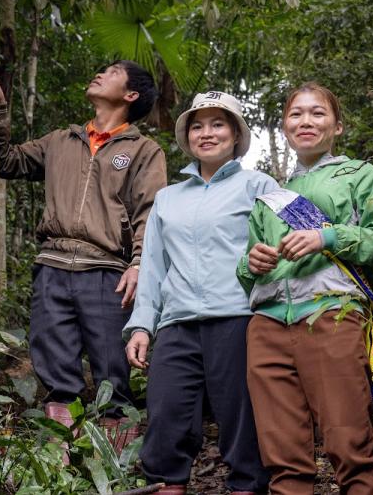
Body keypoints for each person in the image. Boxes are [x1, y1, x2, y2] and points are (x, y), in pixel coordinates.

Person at [0, 61, 167, 452]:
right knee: (56, 374)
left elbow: (149, 213)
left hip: (106, 272)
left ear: (131, 95)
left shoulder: (143, 150)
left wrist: (138, 264)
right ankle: (61, 469)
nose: (100, 73)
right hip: (51, 266)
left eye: (112, 71)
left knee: (111, 376)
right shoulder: (61, 140)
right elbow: (7, 162)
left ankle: (114, 470)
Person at [237, 81, 373, 495]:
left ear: (337, 126)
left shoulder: (358, 175)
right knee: (283, 458)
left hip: (331, 316)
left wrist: (326, 238)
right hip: (267, 327)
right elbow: (246, 267)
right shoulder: (269, 198)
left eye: (318, 113)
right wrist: (250, 263)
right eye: (296, 114)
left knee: (350, 447)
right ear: (285, 126)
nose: (306, 121)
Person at [123, 91, 275, 495]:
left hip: (238, 318)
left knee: (242, 420)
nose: (206, 133)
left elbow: (285, 244)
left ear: (236, 133)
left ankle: (247, 486)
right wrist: (142, 326)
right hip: (177, 324)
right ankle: (167, 485)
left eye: (218, 124)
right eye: (197, 125)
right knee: (166, 417)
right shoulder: (168, 198)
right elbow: (154, 266)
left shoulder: (258, 184)